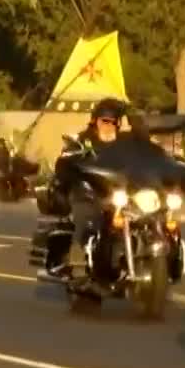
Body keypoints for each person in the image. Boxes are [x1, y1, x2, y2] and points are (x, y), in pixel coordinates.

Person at [48, 97, 126, 279]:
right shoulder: (84, 140)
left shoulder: (124, 144)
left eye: (113, 122)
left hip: (116, 195)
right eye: (104, 121)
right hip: (87, 192)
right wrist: (72, 157)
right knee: (86, 217)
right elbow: (64, 160)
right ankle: (78, 258)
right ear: (95, 120)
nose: (109, 125)